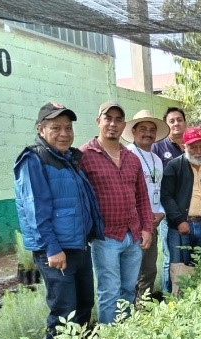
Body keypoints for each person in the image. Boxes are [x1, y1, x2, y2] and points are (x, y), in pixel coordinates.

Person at [13, 102, 103, 339]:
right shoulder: (34, 160)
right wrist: (52, 248)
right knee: (65, 311)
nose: (64, 134)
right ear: (41, 129)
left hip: (78, 246)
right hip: (56, 251)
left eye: (68, 128)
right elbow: (35, 210)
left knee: (84, 304)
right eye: (56, 128)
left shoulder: (68, 159)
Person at [79, 101, 153, 324]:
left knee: (129, 288)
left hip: (132, 235)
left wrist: (147, 228)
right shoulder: (85, 155)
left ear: (124, 125)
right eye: (107, 118)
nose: (113, 123)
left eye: (118, 119)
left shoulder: (132, 158)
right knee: (109, 291)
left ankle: (126, 334)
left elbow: (142, 196)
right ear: (98, 121)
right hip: (105, 237)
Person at [123, 109, 170, 301]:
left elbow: (159, 190)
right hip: (133, 224)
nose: (148, 133)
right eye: (142, 128)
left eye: (152, 129)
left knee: (149, 269)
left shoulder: (157, 160)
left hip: (153, 222)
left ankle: (144, 310)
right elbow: (127, 193)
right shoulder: (127, 155)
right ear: (133, 131)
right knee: (132, 271)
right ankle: (128, 314)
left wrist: (161, 213)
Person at [161, 127, 201, 268]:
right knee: (179, 268)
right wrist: (179, 220)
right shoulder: (174, 166)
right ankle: (171, 291)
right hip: (180, 226)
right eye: (193, 147)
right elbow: (166, 196)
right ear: (184, 146)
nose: (199, 151)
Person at [152, 106, 187, 294]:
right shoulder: (159, 146)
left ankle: (183, 292)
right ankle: (167, 296)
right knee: (170, 256)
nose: (176, 123)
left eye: (179, 119)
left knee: (186, 254)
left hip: (188, 210)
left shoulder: (190, 145)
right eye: (171, 121)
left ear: (185, 122)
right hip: (167, 209)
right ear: (166, 124)